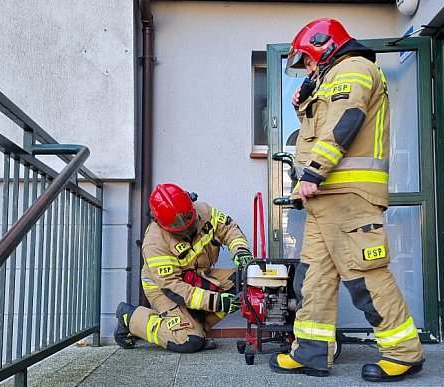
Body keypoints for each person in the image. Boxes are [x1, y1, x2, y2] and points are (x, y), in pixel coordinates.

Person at [268, 18, 425, 381]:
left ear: (322, 46)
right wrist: (302, 105)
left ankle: (404, 353)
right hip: (327, 198)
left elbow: (346, 119)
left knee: (366, 279)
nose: (307, 68)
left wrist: (313, 172)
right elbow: (319, 128)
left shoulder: (354, 67)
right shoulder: (331, 77)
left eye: (307, 60)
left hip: (347, 196)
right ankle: (310, 351)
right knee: (312, 279)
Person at [114, 183, 253, 353]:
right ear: (161, 223)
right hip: (165, 290)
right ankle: (131, 318)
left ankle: (198, 328)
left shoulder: (203, 211)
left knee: (246, 278)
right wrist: (217, 302)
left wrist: (241, 252)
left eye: (189, 219)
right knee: (188, 341)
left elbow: (229, 228)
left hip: (199, 276)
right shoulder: (155, 242)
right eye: (180, 228)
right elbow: (174, 287)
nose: (188, 227)